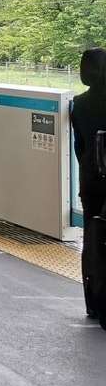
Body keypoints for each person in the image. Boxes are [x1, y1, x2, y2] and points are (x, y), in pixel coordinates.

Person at [71, 47, 106, 323]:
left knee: (92, 238)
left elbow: (80, 146)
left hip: (89, 176)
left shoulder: (79, 103)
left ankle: (93, 303)